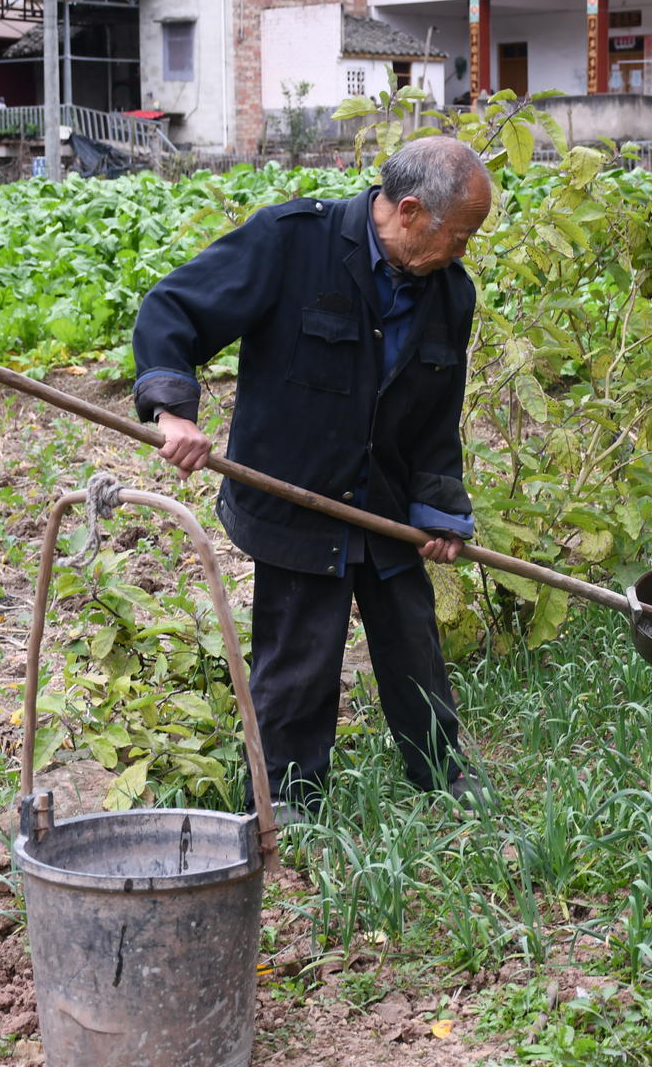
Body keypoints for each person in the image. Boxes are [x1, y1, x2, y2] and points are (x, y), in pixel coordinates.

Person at [130, 136, 493, 820]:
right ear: (411, 211)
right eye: (461, 233)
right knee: (299, 654)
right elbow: (174, 308)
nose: (463, 249)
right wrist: (173, 411)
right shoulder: (291, 243)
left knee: (413, 638)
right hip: (292, 494)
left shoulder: (450, 292)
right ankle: (288, 805)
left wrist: (440, 509)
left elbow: (438, 414)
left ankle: (443, 775)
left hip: (382, 498)